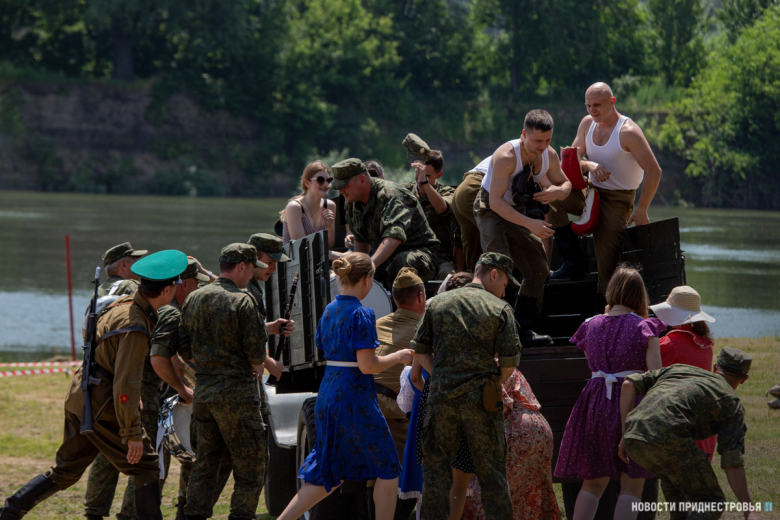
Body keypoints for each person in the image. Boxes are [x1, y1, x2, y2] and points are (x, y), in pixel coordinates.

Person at [0, 250, 189, 520]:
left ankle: (9, 512)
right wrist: (133, 433)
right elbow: (126, 383)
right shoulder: (135, 324)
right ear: (167, 290)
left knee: (66, 470)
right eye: (175, 286)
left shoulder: (121, 305)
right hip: (101, 404)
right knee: (147, 466)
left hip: (82, 396)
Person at [277, 252, 414, 520]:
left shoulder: (329, 310)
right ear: (367, 280)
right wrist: (399, 356)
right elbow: (367, 366)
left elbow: (323, 345)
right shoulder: (362, 313)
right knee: (388, 467)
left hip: (329, 392)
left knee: (328, 471)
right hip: (354, 398)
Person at [413, 252, 521, 519]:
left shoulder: (437, 303)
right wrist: (489, 382)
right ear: (493, 274)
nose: (504, 291)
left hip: (442, 401)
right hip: (483, 402)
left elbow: (420, 352)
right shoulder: (500, 308)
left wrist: (442, 376)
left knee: (436, 479)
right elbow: (509, 364)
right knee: (493, 478)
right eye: (505, 284)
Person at [554, 265, 664, 520]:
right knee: (632, 485)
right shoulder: (645, 327)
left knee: (593, 482)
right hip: (633, 405)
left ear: (612, 291)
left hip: (595, 404)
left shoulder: (589, 325)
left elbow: (594, 366)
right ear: (640, 295)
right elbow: (656, 377)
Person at [178, 244, 270, 520]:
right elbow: (256, 354)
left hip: (204, 394)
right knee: (251, 466)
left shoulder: (194, 298)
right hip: (238, 396)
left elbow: (184, 348)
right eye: (251, 268)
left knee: (205, 465)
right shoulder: (244, 301)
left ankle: (192, 516)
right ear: (242, 267)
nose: (251, 274)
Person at [549, 82, 663, 296]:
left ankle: (607, 307)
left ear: (612, 102)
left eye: (597, 105)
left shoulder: (628, 132)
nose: (592, 110)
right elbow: (572, 160)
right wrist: (590, 165)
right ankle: (572, 262)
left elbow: (654, 171)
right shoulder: (587, 123)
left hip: (618, 199)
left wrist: (641, 209)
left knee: (607, 270)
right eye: (588, 106)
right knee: (552, 199)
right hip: (590, 191)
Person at [619, 348, 759, 520]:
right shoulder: (731, 404)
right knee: (712, 502)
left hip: (635, 436)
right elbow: (732, 462)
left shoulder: (679, 369)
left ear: (715, 367)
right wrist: (749, 510)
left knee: (677, 491)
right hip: (671, 439)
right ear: (743, 379)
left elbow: (628, 384)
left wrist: (624, 435)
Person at [474, 109, 572, 347]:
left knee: (538, 268)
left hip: (517, 211)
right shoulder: (506, 156)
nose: (543, 146)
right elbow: (496, 202)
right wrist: (530, 224)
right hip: (491, 208)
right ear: (524, 134)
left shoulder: (549, 155)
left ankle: (522, 329)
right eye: (538, 141)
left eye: (548, 140)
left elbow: (566, 183)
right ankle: (493, 333)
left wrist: (559, 191)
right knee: (498, 267)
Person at [463, 368, 561, 520]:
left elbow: (499, 406)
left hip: (517, 432)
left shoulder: (487, 367)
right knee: (531, 496)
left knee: (494, 495)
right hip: (538, 430)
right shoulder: (507, 365)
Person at [334, 158, 440, 288]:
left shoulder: (391, 195)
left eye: (344, 186)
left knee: (401, 263)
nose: (340, 191)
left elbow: (394, 237)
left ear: (362, 179)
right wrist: (358, 268)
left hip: (421, 256)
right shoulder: (353, 203)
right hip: (386, 259)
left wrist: (369, 266)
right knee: (357, 276)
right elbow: (361, 240)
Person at [374, 267, 427, 520]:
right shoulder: (423, 331)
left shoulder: (375, 325)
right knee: (413, 470)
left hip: (368, 409)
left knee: (377, 475)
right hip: (397, 415)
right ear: (421, 297)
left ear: (394, 298)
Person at [650, 285, 718, 460]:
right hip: (704, 422)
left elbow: (649, 373)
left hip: (680, 421)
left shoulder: (670, 343)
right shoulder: (706, 344)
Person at [246, 232, 296, 418]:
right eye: (270, 262)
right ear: (255, 258)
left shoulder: (251, 286)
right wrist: (269, 363)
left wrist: (271, 328)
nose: (274, 269)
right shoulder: (247, 290)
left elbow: (245, 329)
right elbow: (241, 335)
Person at [403, 134, 463, 276]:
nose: (420, 179)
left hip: (439, 257)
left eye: (427, 176)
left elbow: (442, 208)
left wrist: (425, 183)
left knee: (448, 277)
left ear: (439, 175)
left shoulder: (447, 192)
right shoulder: (405, 192)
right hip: (410, 253)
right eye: (418, 173)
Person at [281, 161, 341, 260]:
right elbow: (302, 248)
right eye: (320, 180)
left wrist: (329, 226)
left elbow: (328, 246)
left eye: (328, 180)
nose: (326, 184)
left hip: (318, 263)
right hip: (294, 265)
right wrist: (340, 256)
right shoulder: (294, 207)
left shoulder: (329, 206)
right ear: (307, 183)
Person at [451, 156, 490, 271]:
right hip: (477, 187)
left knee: (474, 243)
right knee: (499, 235)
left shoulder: (514, 152)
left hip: (466, 186)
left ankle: (475, 277)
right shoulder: (530, 154)